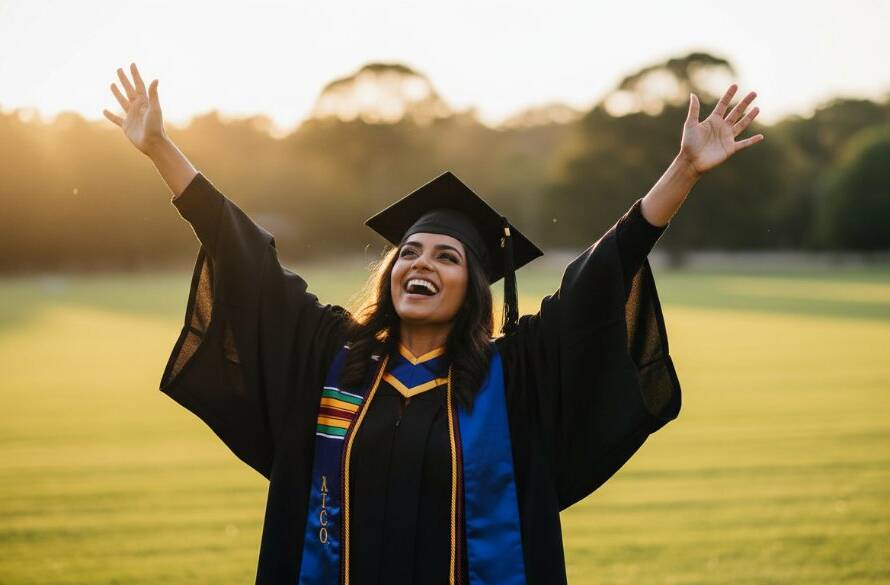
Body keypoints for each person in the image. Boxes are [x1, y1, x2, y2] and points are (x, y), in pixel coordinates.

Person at [104, 63, 763, 585]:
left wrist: (681, 172)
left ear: (473, 286)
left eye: (447, 256)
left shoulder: (514, 376)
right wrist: (162, 150)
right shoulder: (330, 354)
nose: (421, 264)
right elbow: (244, 255)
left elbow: (597, 281)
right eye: (409, 253)